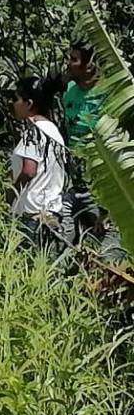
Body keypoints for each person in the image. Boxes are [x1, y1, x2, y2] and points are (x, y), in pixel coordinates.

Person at [62, 43, 126, 262]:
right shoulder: (70, 91)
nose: (68, 64)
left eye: (74, 59)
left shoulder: (107, 95)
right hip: (74, 181)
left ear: (90, 65)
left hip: (102, 183)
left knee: (107, 250)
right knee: (69, 246)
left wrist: (106, 208)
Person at [9, 75, 70, 258]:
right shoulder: (54, 132)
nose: (13, 104)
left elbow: (29, 170)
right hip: (52, 212)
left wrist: (11, 193)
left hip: (33, 216)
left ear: (28, 104)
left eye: (16, 99)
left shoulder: (33, 131)